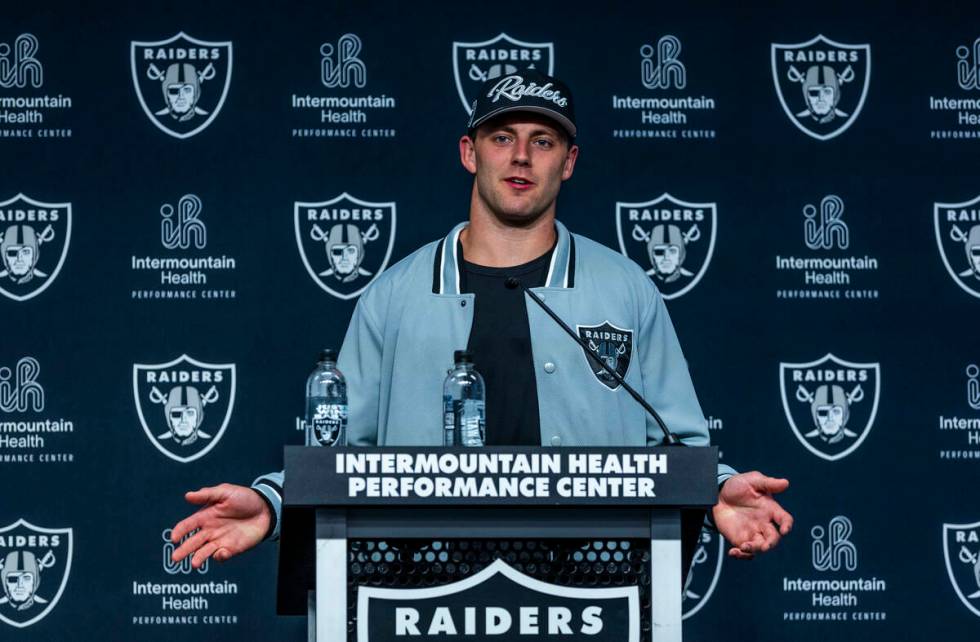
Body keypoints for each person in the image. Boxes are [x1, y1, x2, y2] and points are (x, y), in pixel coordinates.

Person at [169, 70, 793, 570]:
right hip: (425, 586)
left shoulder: (626, 290)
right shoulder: (394, 295)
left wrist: (721, 489)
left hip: (590, 585)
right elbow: (337, 454)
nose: (521, 156)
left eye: (543, 141)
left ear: (569, 162)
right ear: (470, 152)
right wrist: (274, 505)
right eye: (502, 137)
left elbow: (676, 441)